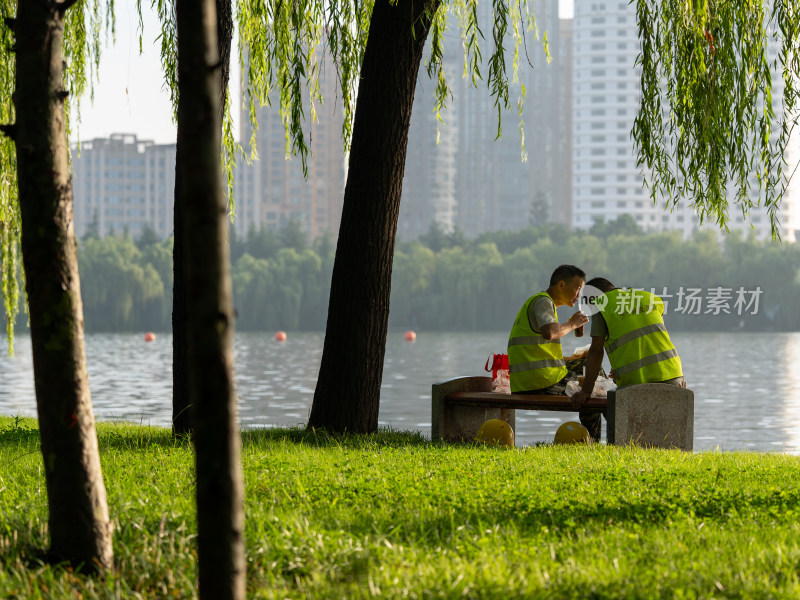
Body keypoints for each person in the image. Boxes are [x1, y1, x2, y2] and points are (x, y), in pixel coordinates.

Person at [570, 277, 685, 441]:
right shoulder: (646, 297)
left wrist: (586, 391)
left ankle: (594, 443)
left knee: (595, 403)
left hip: (638, 387)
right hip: (675, 378)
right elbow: (646, 337)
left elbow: (595, 351)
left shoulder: (601, 305)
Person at [507, 264, 591, 430]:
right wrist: (572, 324)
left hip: (527, 382)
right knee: (593, 380)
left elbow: (538, 349)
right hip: (541, 383)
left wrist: (570, 358)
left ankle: (593, 437)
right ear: (561, 285)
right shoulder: (543, 301)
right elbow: (550, 332)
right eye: (578, 288)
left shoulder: (538, 302)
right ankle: (596, 439)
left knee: (588, 365)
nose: (579, 295)